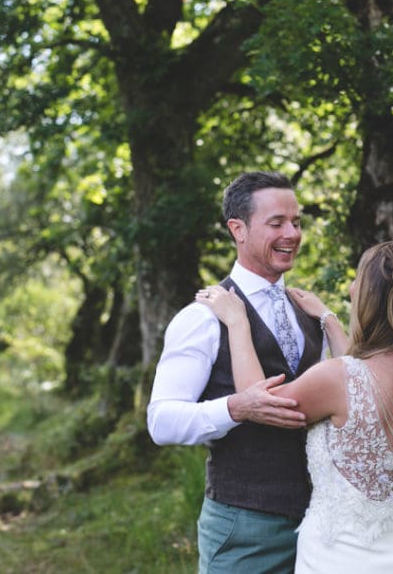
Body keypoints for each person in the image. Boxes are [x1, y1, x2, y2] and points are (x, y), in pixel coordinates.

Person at [195, 240, 393, 574]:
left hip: (337, 561)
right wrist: (327, 318)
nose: (351, 288)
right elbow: (368, 382)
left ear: (372, 298)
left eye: (358, 280)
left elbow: (256, 399)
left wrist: (238, 323)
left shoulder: (338, 379)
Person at [147, 171, 343, 573]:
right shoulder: (201, 318)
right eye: (277, 223)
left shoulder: (309, 311)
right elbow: (161, 421)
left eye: (297, 222)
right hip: (244, 526)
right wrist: (235, 408)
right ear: (238, 229)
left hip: (322, 528)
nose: (292, 233)